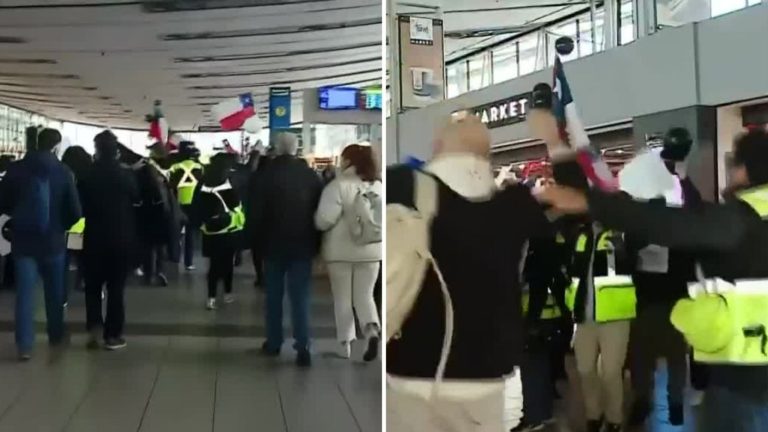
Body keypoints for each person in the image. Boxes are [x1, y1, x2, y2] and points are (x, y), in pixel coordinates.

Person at [537, 127, 768, 432]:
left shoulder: (742, 219)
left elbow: (667, 223)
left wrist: (590, 202)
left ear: (745, 170)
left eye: (733, 166)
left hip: (746, 382)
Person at [386, 116, 552, 432]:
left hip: (411, 368)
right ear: (487, 154)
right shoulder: (516, 204)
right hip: (485, 376)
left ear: (437, 148)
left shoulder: (403, 184)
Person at [627, 127, 701, 427]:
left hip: (672, 294)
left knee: (673, 356)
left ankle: (674, 404)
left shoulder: (680, 198)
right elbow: (629, 244)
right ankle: (645, 402)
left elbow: (695, 214)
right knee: (644, 358)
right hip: (649, 295)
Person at [0, 127, 81, 360]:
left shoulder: (15, 170)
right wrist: (61, 226)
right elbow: (75, 211)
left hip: (23, 241)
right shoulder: (63, 171)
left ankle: (24, 345)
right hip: (53, 241)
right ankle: (56, 335)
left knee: (25, 295)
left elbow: (3, 203)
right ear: (56, 147)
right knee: (55, 293)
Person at [249, 132, 323, 367]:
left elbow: (255, 212)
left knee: (274, 296)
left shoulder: (265, 175)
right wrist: (317, 244)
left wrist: (254, 241)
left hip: (272, 246)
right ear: (296, 148)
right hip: (302, 245)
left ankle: (273, 343)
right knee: (300, 298)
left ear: (277, 149)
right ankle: (303, 347)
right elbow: (319, 212)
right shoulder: (310, 175)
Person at [315, 144, 382, 362]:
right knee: (365, 296)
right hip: (372, 251)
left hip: (340, 253)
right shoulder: (378, 185)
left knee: (343, 298)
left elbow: (324, 220)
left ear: (348, 161)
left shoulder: (338, 185)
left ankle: (346, 345)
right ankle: (372, 331)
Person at [79, 131, 139, 350]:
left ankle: (93, 329)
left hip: (92, 240)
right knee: (116, 289)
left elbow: (78, 212)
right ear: (116, 150)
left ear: (96, 149)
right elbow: (136, 199)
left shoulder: (86, 175)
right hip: (120, 240)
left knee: (92, 288)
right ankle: (113, 335)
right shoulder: (125, 176)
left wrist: (74, 246)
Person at [191, 151, 244, 310]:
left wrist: (199, 224)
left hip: (209, 231)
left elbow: (196, 206)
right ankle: (227, 293)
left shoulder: (202, 183)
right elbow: (236, 205)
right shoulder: (227, 183)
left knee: (213, 265)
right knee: (227, 263)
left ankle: (211, 298)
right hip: (228, 230)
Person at [61, 146, 92, 297]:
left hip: (74, 220)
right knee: (84, 254)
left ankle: (64, 287)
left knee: (70, 251)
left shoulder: (67, 174)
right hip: (87, 219)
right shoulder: (89, 174)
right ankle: (82, 279)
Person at [169, 141, 203, 270]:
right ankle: (189, 262)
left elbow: (170, 185)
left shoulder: (175, 167)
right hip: (193, 204)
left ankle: (175, 258)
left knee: (176, 233)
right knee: (190, 235)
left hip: (178, 204)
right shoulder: (200, 168)